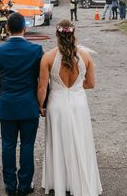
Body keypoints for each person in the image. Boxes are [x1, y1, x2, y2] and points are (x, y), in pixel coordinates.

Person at [38, 20, 102, 196]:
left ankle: (59, 182)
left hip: (56, 105)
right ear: (73, 34)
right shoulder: (86, 57)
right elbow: (90, 84)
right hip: (79, 104)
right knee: (80, 141)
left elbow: (42, 88)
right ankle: (79, 181)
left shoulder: (48, 57)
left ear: (57, 34)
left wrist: (40, 106)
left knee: (58, 142)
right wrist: (75, 88)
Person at [0, 12, 44, 196]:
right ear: (25, 29)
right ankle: (25, 185)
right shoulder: (36, 50)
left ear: (7, 28)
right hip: (29, 105)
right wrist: (43, 104)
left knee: (8, 145)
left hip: (7, 105)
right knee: (27, 145)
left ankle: (10, 185)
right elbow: (43, 81)